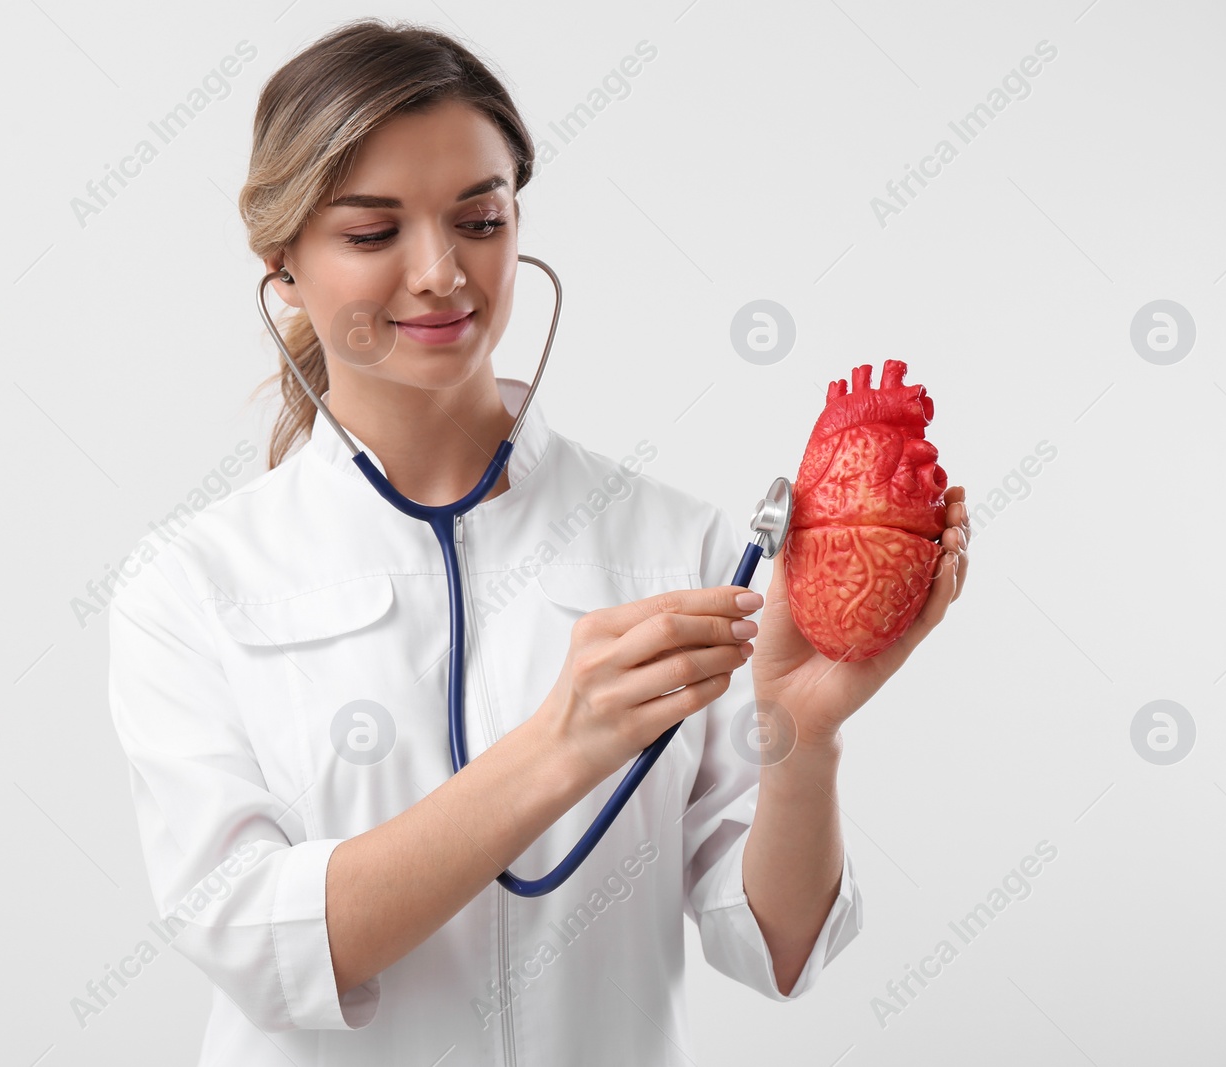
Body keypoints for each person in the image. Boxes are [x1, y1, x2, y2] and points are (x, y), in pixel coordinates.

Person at [107, 17, 970, 1066]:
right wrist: (563, 742)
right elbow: (261, 942)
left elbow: (775, 946)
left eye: (477, 217)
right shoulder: (192, 583)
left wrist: (803, 733)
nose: (437, 272)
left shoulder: (676, 542)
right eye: (372, 234)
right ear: (281, 262)